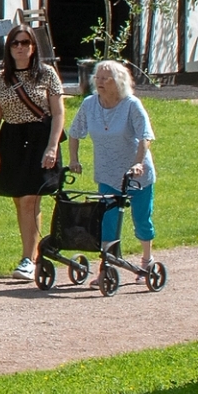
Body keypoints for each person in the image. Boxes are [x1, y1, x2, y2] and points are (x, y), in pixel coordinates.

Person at [0, 17, 66, 282]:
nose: (20, 48)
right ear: (9, 49)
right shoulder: (1, 79)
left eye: (25, 43)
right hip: (12, 139)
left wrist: (52, 146)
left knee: (32, 199)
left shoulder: (47, 75)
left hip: (40, 138)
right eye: (15, 44)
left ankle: (28, 258)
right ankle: (33, 255)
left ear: (33, 47)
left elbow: (58, 113)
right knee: (20, 201)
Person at [67, 58, 161, 266]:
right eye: (97, 78)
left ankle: (147, 260)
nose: (99, 82)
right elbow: (74, 133)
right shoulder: (89, 104)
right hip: (108, 173)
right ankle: (108, 265)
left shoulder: (131, 105)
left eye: (105, 79)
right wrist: (74, 159)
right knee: (108, 221)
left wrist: (138, 163)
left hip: (136, 175)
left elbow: (145, 137)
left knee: (142, 220)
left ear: (118, 81)